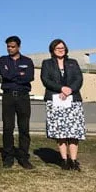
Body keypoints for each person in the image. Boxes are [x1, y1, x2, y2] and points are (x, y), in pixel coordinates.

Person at [41, 39, 86, 171]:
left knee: (73, 132)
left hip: (73, 100)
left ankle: (73, 160)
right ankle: (64, 160)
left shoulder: (73, 63)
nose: (61, 50)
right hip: (55, 100)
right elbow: (45, 80)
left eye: (62, 48)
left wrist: (70, 89)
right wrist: (61, 88)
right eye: (57, 48)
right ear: (52, 50)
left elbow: (79, 79)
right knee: (60, 132)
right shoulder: (47, 63)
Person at [0, 35, 35, 169]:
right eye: (8, 46)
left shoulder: (28, 61)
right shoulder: (3, 60)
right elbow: (4, 75)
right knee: (8, 127)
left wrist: (14, 75)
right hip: (8, 97)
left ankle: (23, 157)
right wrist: (19, 74)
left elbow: (29, 77)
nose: (10, 49)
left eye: (13, 46)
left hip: (23, 97)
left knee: (24, 128)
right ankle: (8, 157)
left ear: (18, 47)